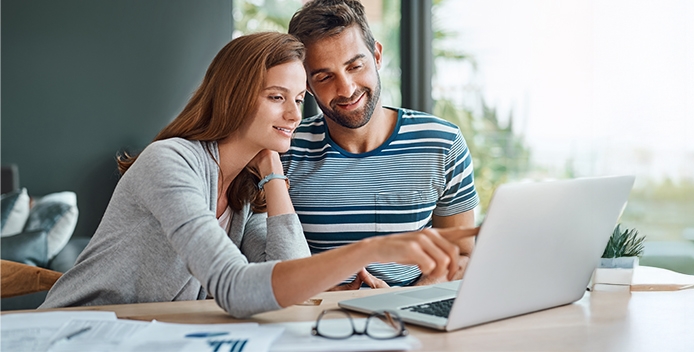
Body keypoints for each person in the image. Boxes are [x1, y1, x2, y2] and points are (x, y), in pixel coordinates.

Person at [40, 33, 476, 318]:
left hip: (143, 337)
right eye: (275, 97)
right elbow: (235, 288)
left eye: (300, 98)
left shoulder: (245, 191)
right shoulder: (170, 162)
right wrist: (372, 249)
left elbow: (288, 277)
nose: (293, 114)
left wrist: (272, 169)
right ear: (232, 97)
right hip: (68, 336)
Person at [283, 0, 479, 289]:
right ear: (307, 85)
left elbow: (462, 255)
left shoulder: (442, 143)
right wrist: (327, 295)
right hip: (316, 319)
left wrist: (401, 302)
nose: (346, 89)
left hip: (410, 318)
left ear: (376, 55)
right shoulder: (285, 150)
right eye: (324, 77)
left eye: (355, 66)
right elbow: (266, 263)